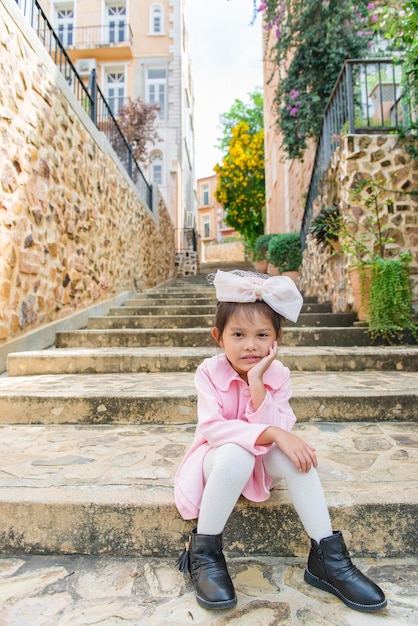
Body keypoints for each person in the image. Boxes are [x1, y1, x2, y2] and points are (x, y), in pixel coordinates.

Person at [174, 269, 387, 613]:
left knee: (295, 455)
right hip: (218, 461)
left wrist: (258, 382)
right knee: (237, 454)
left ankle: (328, 560)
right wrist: (273, 433)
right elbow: (213, 429)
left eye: (262, 335)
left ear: (276, 339)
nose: (250, 345)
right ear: (219, 336)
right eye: (238, 334)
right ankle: (204, 553)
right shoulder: (209, 372)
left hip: (260, 465)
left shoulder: (279, 374)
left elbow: (282, 428)